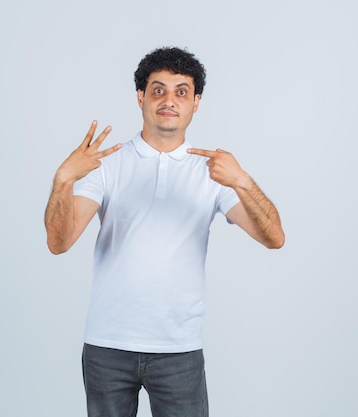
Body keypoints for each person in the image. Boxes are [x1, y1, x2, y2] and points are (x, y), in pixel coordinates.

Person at [44, 46, 284, 417]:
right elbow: (59, 243)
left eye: (181, 91)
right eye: (158, 90)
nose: (168, 100)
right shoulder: (106, 164)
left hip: (178, 350)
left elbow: (274, 238)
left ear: (196, 102)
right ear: (140, 97)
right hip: (108, 346)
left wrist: (243, 182)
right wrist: (63, 179)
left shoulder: (214, 172)